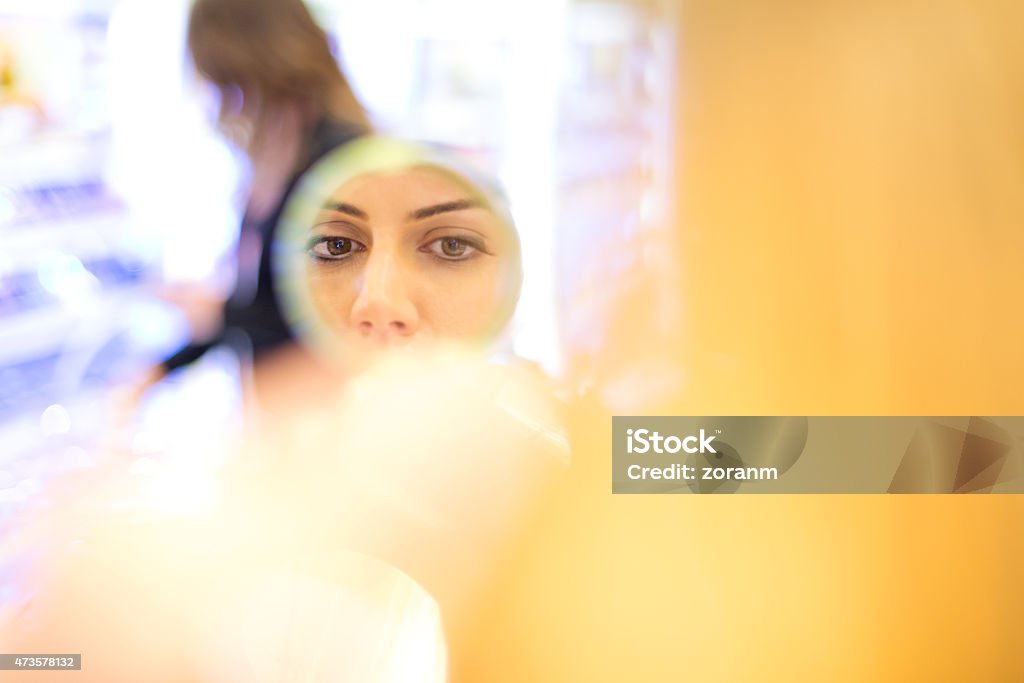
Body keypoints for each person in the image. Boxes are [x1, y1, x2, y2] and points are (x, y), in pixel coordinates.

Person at [132, 0, 369, 401]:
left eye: (225, 79)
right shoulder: (276, 154)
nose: (225, 98)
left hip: (323, 419)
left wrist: (218, 310)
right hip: (278, 414)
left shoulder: (341, 164)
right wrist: (156, 372)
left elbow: (336, 322)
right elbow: (260, 302)